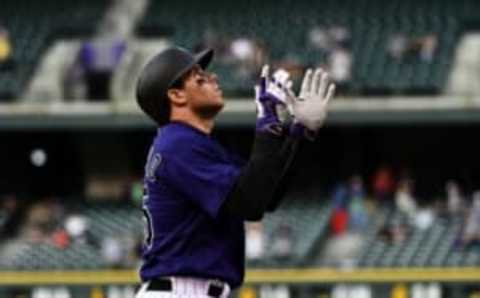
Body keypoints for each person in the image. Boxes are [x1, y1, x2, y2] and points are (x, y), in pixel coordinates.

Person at [133, 46, 335, 298]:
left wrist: (299, 133)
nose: (213, 77)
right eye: (199, 77)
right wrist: (267, 123)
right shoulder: (179, 144)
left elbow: (264, 196)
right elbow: (248, 203)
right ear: (176, 95)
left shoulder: (189, 143)